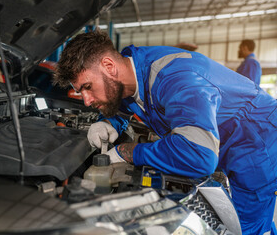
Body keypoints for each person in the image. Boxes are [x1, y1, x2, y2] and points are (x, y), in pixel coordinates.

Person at [53, 30, 277, 235]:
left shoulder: (177, 79)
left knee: (247, 227)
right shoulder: (132, 68)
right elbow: (127, 101)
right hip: (229, 140)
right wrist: (110, 122)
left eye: (87, 87)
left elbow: (199, 156)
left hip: (258, 142)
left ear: (109, 66)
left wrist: (127, 152)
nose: (87, 100)